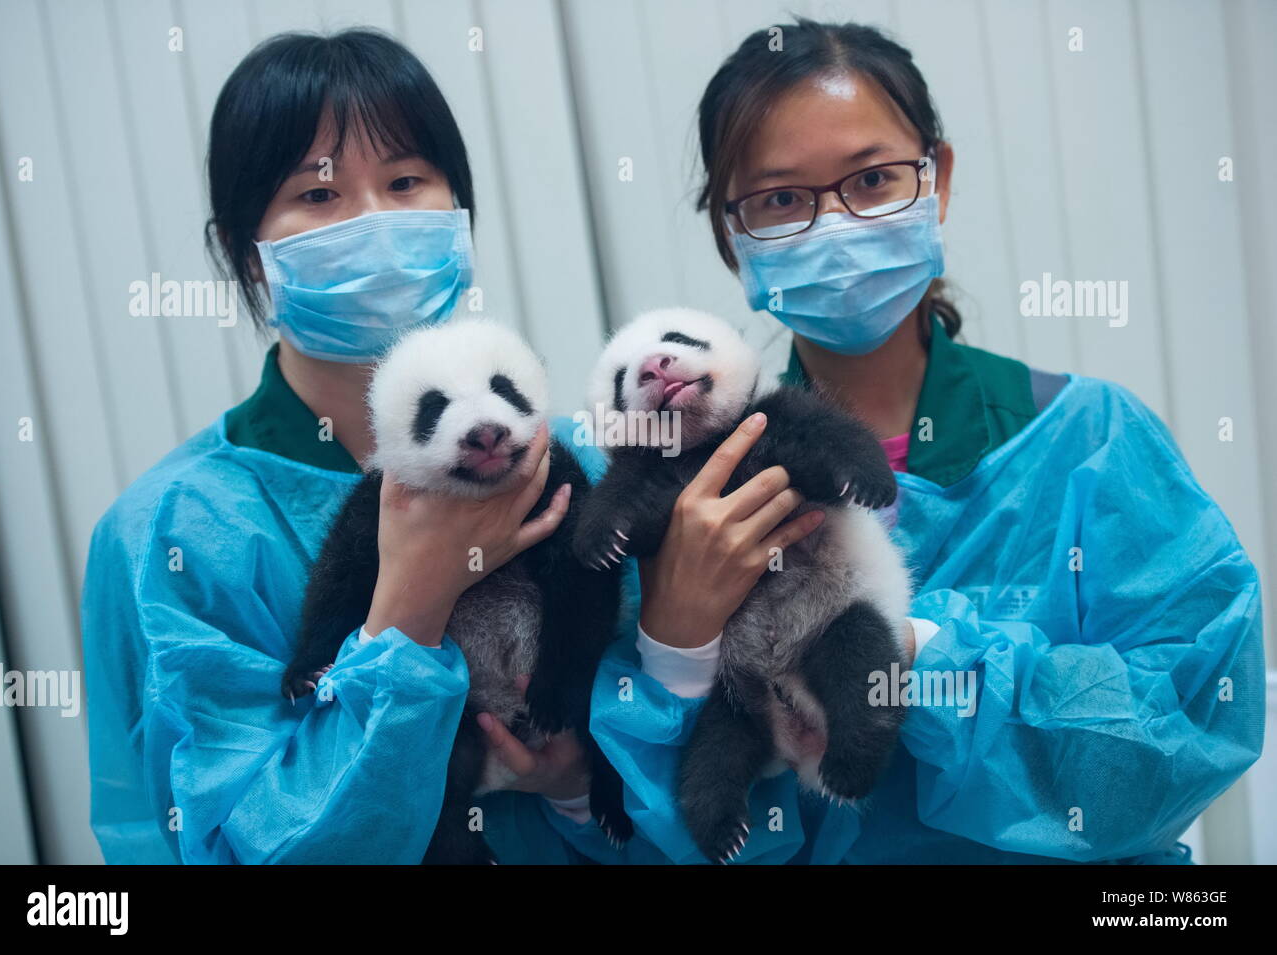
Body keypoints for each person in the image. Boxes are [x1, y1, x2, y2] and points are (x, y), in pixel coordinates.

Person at [588, 18, 1265, 864]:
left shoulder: (1090, 440)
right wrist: (676, 645)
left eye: (872, 180)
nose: (833, 226)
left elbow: (1187, 729)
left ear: (935, 181)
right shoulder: (680, 500)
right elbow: (649, 834)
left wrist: (916, 653)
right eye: (781, 199)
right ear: (733, 237)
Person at [81, 29, 624, 864]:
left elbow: (692, 774)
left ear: (459, 215)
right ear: (247, 254)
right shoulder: (177, 530)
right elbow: (221, 844)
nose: (374, 222)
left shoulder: (571, 461)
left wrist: (582, 789)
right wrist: (409, 607)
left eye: (406, 182)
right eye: (319, 195)